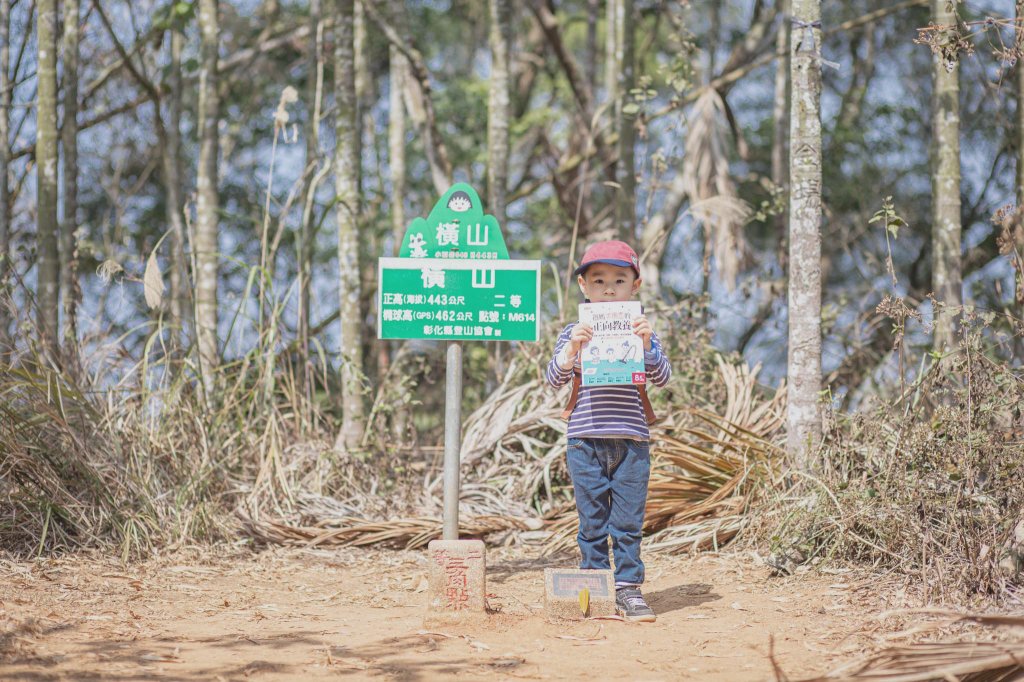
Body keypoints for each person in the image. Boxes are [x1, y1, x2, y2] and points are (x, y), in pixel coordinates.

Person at [545, 239, 672, 622]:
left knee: (628, 521)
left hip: (632, 440)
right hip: (584, 439)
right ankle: (596, 584)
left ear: (635, 286)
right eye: (598, 280)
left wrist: (648, 344)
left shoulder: (642, 330)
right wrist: (571, 351)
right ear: (583, 286)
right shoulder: (573, 331)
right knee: (592, 519)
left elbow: (661, 377)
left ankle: (629, 590)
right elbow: (553, 378)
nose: (609, 288)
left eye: (619, 280)